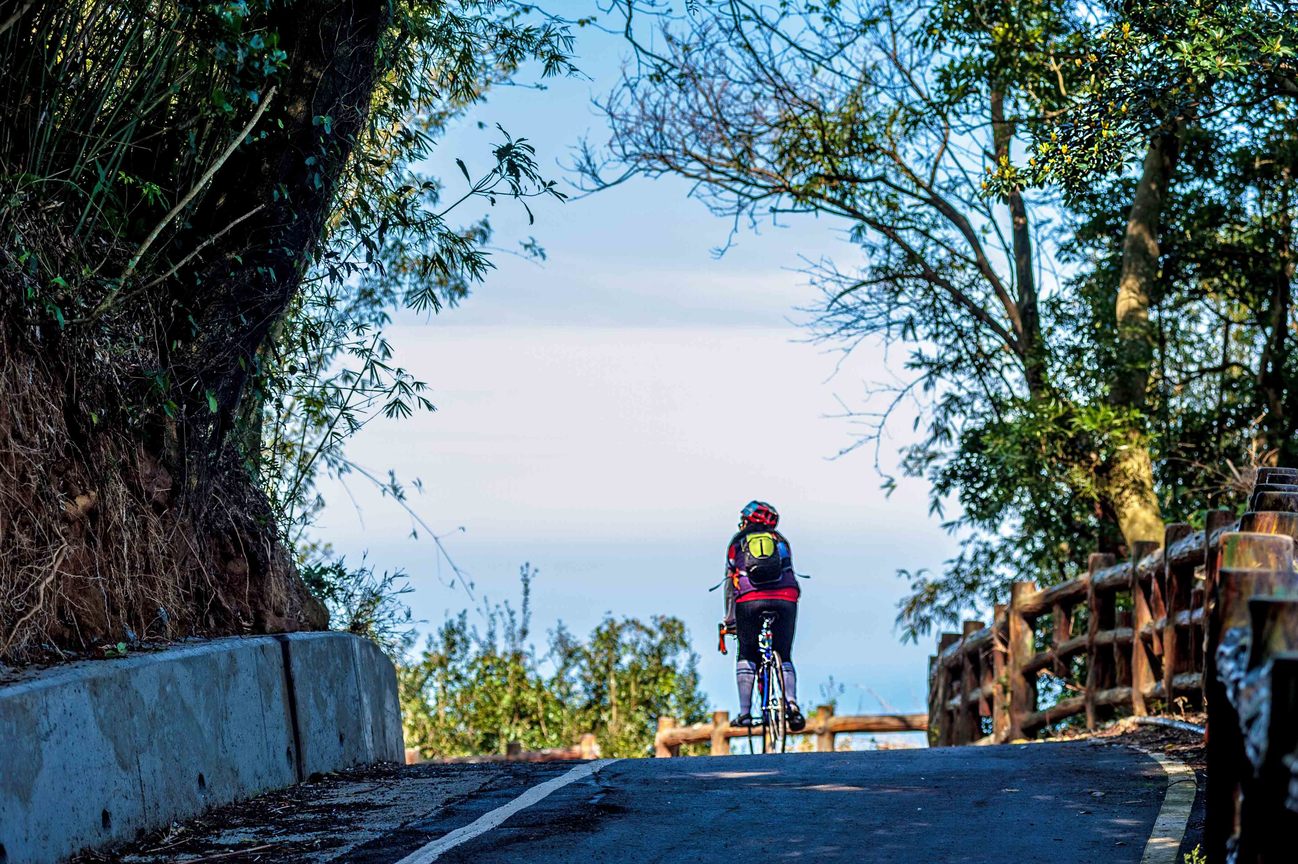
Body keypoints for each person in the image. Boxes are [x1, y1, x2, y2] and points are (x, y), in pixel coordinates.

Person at [720, 500, 805, 732]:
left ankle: (745, 713)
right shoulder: (780, 541)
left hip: (749, 600)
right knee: (784, 653)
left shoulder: (737, 543)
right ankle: (792, 706)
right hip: (786, 599)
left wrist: (730, 618)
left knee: (746, 652)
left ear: (747, 521)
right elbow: (789, 573)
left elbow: (730, 584)